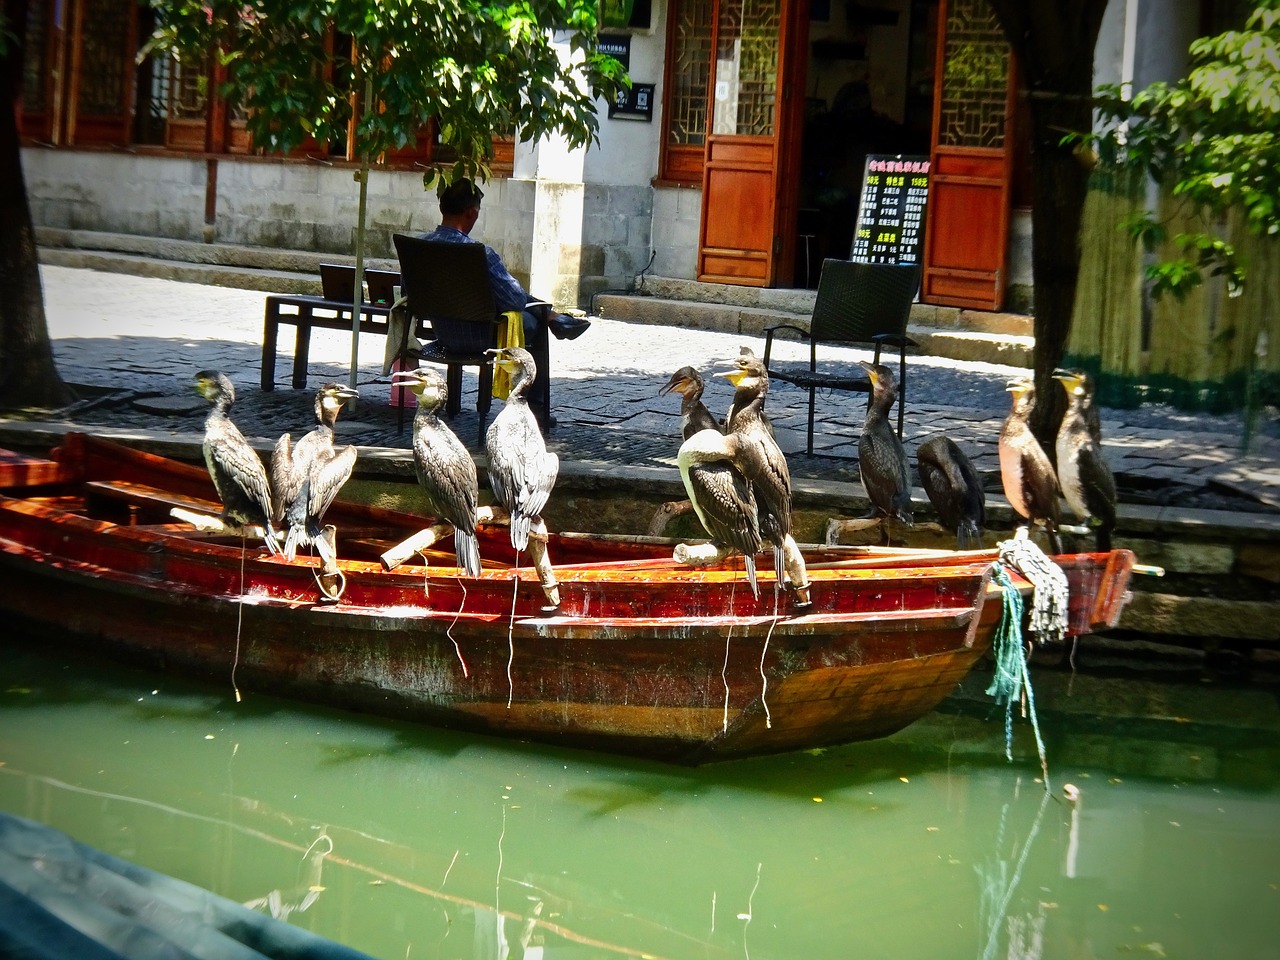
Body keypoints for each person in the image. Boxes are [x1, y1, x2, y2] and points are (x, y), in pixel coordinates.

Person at [418, 179, 590, 430]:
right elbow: (514, 299)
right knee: (535, 320)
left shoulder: (421, 246)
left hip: (442, 332)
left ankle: (551, 315)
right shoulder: (479, 254)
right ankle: (536, 410)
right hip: (484, 337)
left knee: (532, 310)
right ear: (472, 212)